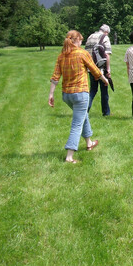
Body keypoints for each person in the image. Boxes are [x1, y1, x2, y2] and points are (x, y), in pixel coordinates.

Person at [49, 30, 108, 163]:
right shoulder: (82, 53)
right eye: (81, 40)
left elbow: (55, 77)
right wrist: (105, 80)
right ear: (76, 41)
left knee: (83, 116)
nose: (81, 42)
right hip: (80, 94)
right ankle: (69, 156)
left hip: (67, 96)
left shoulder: (61, 56)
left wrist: (51, 94)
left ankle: (89, 143)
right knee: (77, 123)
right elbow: (95, 70)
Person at [84, 24, 112, 116]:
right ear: (106, 32)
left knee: (93, 89)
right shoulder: (105, 37)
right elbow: (107, 54)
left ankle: (85, 109)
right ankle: (106, 112)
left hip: (90, 68)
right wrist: (108, 69)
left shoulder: (90, 37)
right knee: (104, 90)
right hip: (101, 69)